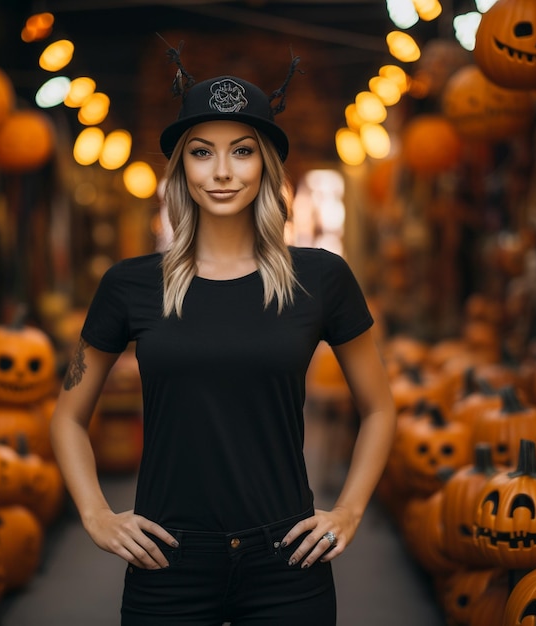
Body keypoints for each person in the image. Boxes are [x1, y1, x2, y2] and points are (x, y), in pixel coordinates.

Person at [50, 45, 397, 626]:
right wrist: (96, 514)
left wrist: (349, 512)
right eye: (201, 153)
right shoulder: (129, 286)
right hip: (169, 562)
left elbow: (380, 408)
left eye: (242, 152)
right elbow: (66, 416)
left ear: (266, 165)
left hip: (287, 559)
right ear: (181, 168)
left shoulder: (320, 278)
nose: (221, 172)